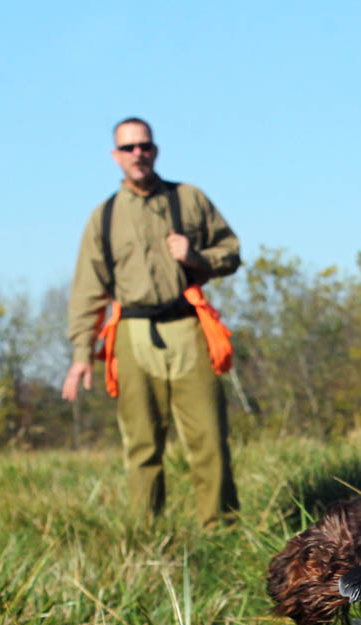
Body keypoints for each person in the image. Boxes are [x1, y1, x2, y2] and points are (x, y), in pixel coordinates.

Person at [61, 117, 241, 526]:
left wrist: (197, 256)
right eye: (128, 148)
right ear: (115, 156)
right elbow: (88, 289)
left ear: (155, 150)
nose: (137, 154)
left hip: (188, 325)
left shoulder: (189, 199)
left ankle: (221, 533)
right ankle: (146, 536)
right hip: (131, 332)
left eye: (144, 146)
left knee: (209, 439)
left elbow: (230, 251)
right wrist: (81, 354)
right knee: (141, 445)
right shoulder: (104, 216)